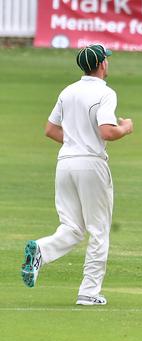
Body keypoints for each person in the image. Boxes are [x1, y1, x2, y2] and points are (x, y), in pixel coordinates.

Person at [20, 44, 134, 306]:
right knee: (99, 230)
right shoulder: (105, 93)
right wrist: (126, 128)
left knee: (72, 228)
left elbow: (50, 130)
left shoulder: (68, 91)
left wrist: (74, 143)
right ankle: (89, 292)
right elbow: (107, 132)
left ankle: (41, 250)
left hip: (65, 163)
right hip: (91, 164)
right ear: (103, 64)